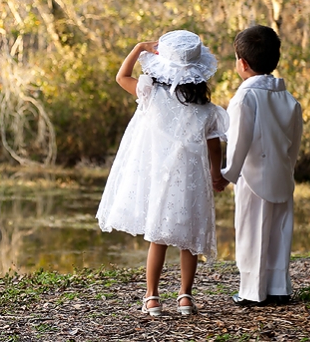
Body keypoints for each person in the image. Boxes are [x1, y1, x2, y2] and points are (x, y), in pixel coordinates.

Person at [97, 30, 228, 317]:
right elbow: (214, 145)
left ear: (163, 66)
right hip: (193, 180)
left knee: (159, 237)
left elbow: (122, 77)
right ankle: (185, 297)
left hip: (161, 178)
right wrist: (216, 174)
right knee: (190, 239)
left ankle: (152, 297)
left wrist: (139, 47)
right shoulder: (206, 110)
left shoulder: (151, 95)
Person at [218, 25, 303, 307]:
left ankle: (252, 291)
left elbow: (238, 142)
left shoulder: (245, 97)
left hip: (253, 177)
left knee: (252, 232)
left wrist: (227, 175)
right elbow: (295, 143)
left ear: (242, 63)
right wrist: (286, 168)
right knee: (280, 231)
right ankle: (278, 288)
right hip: (281, 173)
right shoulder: (289, 99)